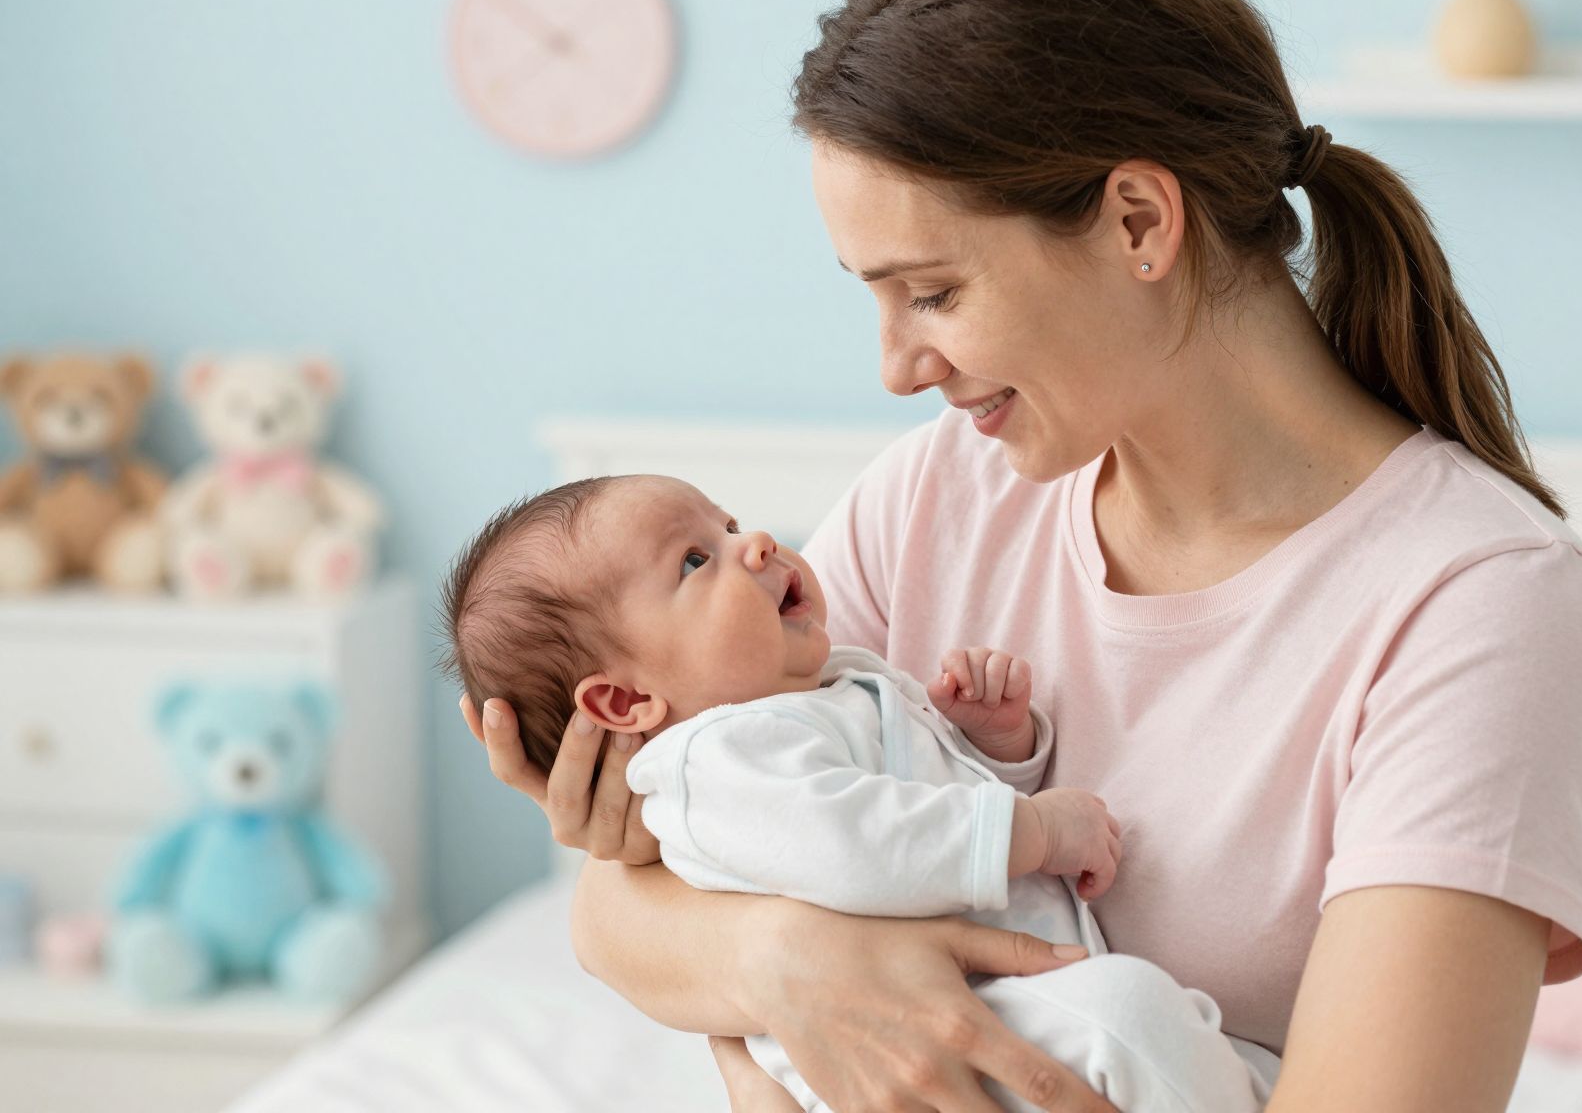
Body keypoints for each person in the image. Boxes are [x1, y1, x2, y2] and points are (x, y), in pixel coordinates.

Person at [465, 0, 1582, 1108]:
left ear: (1135, 221)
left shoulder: (1480, 601)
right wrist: (791, 973)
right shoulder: (940, 495)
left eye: (931, 292)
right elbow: (620, 909)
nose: (895, 367)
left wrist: (750, 1003)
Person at [440, 473, 1279, 1110]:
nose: (757, 542)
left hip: (1000, 1000)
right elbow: (859, 846)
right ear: (625, 704)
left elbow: (920, 794)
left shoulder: (819, 691)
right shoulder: (715, 761)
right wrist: (1035, 829)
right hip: (936, 1033)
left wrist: (996, 746)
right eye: (696, 561)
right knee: (1130, 1018)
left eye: (728, 525)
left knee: (1209, 1047)